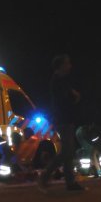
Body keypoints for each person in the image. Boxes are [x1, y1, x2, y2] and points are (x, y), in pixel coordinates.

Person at [38, 54, 85, 191]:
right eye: (67, 63)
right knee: (67, 152)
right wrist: (74, 97)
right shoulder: (58, 81)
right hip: (63, 119)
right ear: (61, 66)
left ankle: (68, 182)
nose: (70, 66)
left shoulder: (62, 80)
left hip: (66, 118)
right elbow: (64, 99)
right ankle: (47, 177)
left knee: (67, 152)